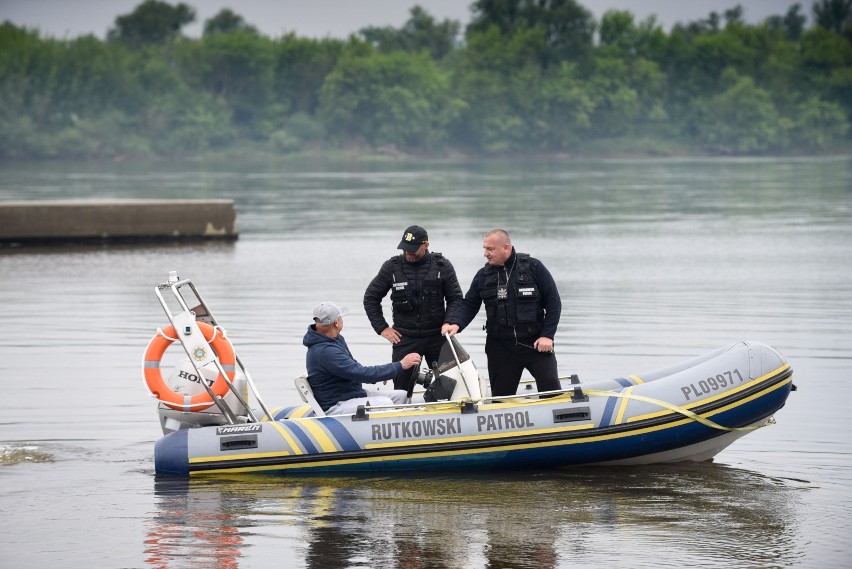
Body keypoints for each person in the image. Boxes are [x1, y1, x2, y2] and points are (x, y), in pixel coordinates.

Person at [442, 229, 562, 397]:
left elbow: (554, 303)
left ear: (506, 247)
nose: (485, 254)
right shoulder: (483, 275)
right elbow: (469, 304)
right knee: (501, 399)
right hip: (501, 348)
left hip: (535, 344)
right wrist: (456, 323)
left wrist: (547, 336)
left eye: (490, 249)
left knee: (552, 394)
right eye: (484, 248)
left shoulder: (533, 267)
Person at [363, 225, 463, 393]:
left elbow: (456, 299)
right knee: (401, 392)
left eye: (412, 249)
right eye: (405, 249)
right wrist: (382, 328)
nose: (408, 253)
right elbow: (371, 298)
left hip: (437, 337)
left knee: (452, 388)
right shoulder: (391, 267)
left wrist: (449, 322)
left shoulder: (442, 266)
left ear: (426, 245)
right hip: (405, 338)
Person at [303, 301, 421, 415]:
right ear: (337, 322)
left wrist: (387, 371)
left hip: (350, 394)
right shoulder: (326, 351)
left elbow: (354, 368)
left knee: (402, 395)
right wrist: (400, 366)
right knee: (385, 403)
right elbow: (360, 373)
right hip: (336, 404)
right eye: (340, 317)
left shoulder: (335, 339)